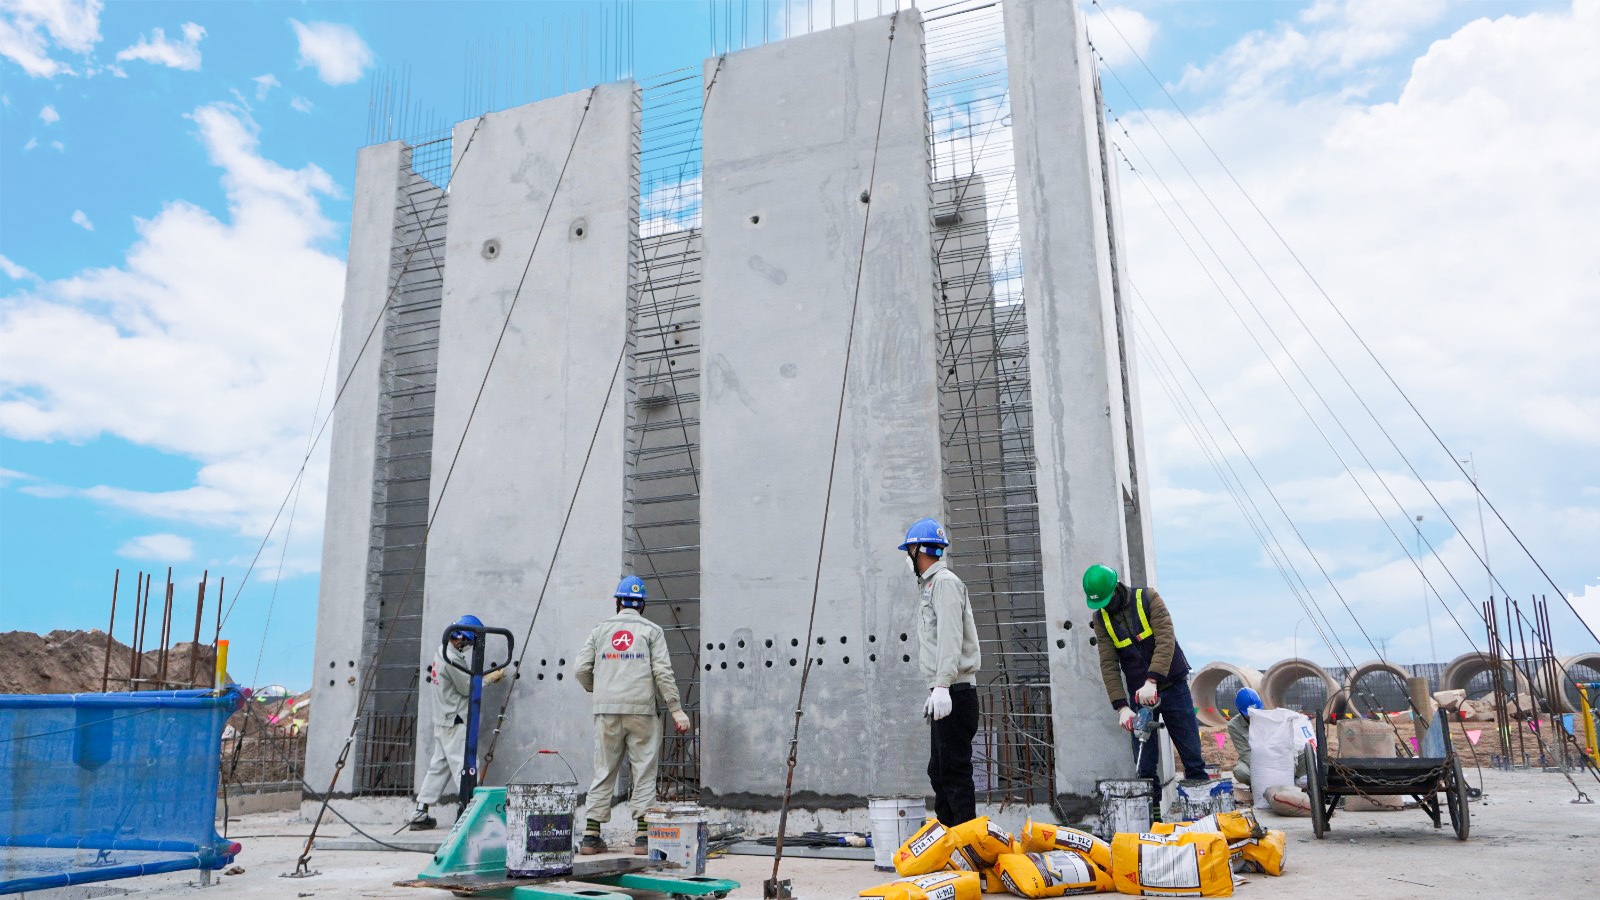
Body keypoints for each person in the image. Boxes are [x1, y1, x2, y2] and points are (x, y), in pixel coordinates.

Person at [574, 576, 691, 855]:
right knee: (644, 770)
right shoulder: (652, 631)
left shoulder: (600, 630)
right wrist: (676, 709)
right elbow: (663, 672)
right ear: (643, 605)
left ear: (617, 602)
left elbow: (580, 669)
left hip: (607, 711)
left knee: (604, 768)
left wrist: (599, 690)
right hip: (642, 711)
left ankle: (591, 835)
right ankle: (642, 837)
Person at [1084, 565, 1208, 782]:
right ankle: (1152, 814)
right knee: (1145, 766)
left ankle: (1200, 811)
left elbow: (1165, 641)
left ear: (1115, 589)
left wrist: (1152, 680)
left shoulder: (1148, 598)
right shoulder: (1101, 618)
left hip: (1173, 687)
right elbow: (1108, 663)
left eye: (1106, 600)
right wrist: (1121, 707)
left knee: (1192, 759)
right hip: (1139, 695)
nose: (1105, 607)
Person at [901, 517, 981, 827]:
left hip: (956, 693)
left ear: (920, 551)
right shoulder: (931, 586)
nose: (908, 557)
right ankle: (950, 840)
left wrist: (944, 685)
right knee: (940, 770)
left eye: (910, 550)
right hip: (946, 692)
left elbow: (950, 637)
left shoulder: (944, 583)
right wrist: (936, 687)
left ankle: (965, 846)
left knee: (954, 773)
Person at [410, 614, 504, 830]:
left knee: (439, 767)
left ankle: (420, 812)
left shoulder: (442, 651)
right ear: (460, 637)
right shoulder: (451, 659)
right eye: (468, 642)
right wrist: (490, 678)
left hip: (443, 720)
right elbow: (466, 687)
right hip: (456, 721)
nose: (468, 647)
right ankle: (468, 813)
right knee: (467, 766)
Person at [1227, 686, 1305, 788]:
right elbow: (1246, 753)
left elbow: (1289, 744)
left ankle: (1291, 780)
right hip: (1257, 763)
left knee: (1308, 755)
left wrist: (1290, 766)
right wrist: (1267, 772)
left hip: (1279, 758)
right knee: (1240, 772)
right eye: (1249, 714)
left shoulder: (1273, 717)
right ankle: (1261, 785)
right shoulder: (1234, 726)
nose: (1254, 715)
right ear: (1240, 711)